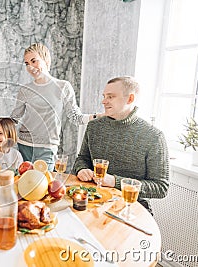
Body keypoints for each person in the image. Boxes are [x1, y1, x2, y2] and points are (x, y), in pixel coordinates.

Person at [71, 76, 169, 214]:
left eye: (110, 97)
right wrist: (81, 169)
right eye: (104, 96)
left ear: (130, 99)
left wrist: (114, 181)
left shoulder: (154, 136)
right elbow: (82, 158)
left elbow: (161, 187)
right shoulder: (94, 126)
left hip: (131, 209)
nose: (103, 101)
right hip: (94, 202)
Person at [10, 43, 102, 171]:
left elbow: (75, 117)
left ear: (46, 60)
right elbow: (14, 118)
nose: (30, 67)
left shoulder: (63, 86)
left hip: (47, 147)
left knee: (44, 186)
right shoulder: (25, 90)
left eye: (33, 61)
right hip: (24, 145)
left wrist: (99, 116)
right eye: (26, 63)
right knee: (24, 186)